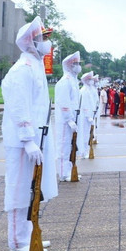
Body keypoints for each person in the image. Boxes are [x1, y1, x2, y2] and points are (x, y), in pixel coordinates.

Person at [2, 18, 58, 251]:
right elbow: (19, 106)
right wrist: (27, 139)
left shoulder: (34, 65)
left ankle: (28, 234)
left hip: (35, 138)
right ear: (31, 41)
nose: (47, 42)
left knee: (31, 189)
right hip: (22, 142)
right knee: (19, 190)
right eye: (43, 38)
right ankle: (17, 242)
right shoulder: (23, 69)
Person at [54, 51, 82, 182]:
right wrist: (69, 119)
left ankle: (70, 171)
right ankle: (63, 174)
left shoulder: (73, 81)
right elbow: (63, 102)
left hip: (73, 118)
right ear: (69, 65)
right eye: (75, 63)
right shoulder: (65, 81)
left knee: (71, 147)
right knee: (63, 147)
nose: (78, 66)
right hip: (65, 121)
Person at [78, 72, 98, 158]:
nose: (91, 81)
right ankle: (83, 152)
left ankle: (85, 150)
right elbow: (84, 105)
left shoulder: (88, 89)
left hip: (90, 115)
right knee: (84, 134)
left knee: (87, 134)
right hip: (85, 116)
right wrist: (88, 116)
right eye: (89, 79)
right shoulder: (84, 90)